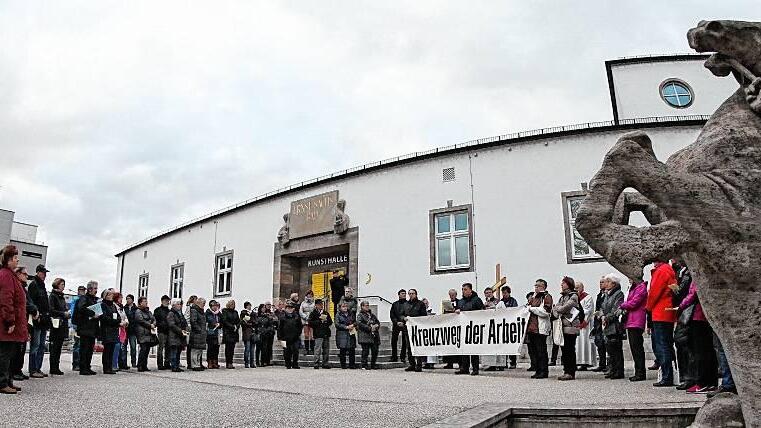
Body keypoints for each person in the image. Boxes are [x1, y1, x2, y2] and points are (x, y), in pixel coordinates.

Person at [672, 282, 717, 394]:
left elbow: (693, 293)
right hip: (705, 316)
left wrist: (681, 306)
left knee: (699, 351)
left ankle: (702, 383)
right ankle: (711, 383)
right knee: (708, 351)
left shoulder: (696, 276)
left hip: (697, 316)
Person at [0, 245, 27, 394]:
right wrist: (9, 320)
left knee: (10, 354)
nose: (17, 260)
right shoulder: (5, 275)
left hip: (13, 322)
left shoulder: (10, 275)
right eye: (16, 258)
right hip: (6, 323)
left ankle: (8, 380)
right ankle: (2, 382)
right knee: (4, 354)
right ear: (9, 260)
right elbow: (6, 299)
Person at [646, 260, 678, 387]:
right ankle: (672, 373)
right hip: (667, 311)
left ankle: (667, 376)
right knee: (668, 344)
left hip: (660, 311)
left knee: (662, 345)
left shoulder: (661, 271)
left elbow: (654, 293)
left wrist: (648, 308)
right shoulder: (669, 270)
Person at [619, 278, 648, 381]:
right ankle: (638, 371)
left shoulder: (641, 287)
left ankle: (640, 372)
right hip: (632, 320)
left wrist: (622, 305)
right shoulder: (633, 288)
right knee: (634, 348)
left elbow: (634, 302)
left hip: (636, 320)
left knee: (637, 348)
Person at [552, 276, 581, 381]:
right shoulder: (562, 297)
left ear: (569, 284)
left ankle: (571, 372)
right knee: (564, 350)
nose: (561, 285)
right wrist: (559, 309)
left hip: (571, 327)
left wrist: (558, 309)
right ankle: (566, 370)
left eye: (563, 283)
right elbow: (555, 310)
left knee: (569, 350)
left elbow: (565, 308)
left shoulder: (573, 296)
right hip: (563, 326)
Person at [11, 266, 36, 381]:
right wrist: (33, 309)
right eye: (25, 274)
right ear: (18, 274)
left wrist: (34, 309)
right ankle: (14, 371)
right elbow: (23, 303)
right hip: (18, 321)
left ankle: (18, 370)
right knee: (17, 348)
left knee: (22, 347)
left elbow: (30, 302)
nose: (27, 276)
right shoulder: (16, 286)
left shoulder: (24, 288)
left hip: (25, 321)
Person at [456, 283, 485, 376]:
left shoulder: (476, 300)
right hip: (463, 327)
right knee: (464, 349)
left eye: (465, 289)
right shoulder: (460, 302)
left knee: (473, 349)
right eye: (462, 289)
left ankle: (475, 368)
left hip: (474, 327)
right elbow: (457, 311)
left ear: (470, 290)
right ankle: (465, 368)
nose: (463, 291)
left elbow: (482, 312)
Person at [27, 264, 50, 378]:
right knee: (35, 345)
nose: (44, 275)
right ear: (37, 272)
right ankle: (32, 369)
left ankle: (38, 368)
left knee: (41, 345)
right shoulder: (34, 285)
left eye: (45, 273)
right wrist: (36, 313)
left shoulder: (42, 286)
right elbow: (31, 302)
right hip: (37, 319)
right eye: (42, 272)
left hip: (44, 320)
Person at [601, 274, 625, 380]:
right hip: (607, 324)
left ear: (613, 283)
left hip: (614, 325)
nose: (605, 283)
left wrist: (606, 318)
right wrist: (602, 316)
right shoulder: (606, 294)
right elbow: (602, 307)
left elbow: (616, 309)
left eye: (608, 281)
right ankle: (612, 369)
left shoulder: (618, 294)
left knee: (616, 349)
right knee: (610, 349)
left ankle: (619, 371)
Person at [526, 279, 552, 379]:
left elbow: (546, 311)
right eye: (535, 285)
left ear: (544, 287)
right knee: (534, 351)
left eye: (539, 286)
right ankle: (537, 370)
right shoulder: (533, 297)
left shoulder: (546, 297)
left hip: (540, 328)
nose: (536, 287)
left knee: (541, 350)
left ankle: (543, 371)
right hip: (532, 328)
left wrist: (531, 309)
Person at [74, 281, 100, 375]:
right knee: (84, 348)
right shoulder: (84, 298)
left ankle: (87, 366)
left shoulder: (93, 299)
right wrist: (93, 314)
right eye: (95, 288)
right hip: (85, 327)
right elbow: (82, 308)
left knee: (90, 348)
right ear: (90, 289)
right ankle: (83, 367)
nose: (96, 290)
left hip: (92, 327)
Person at [47, 278, 69, 376]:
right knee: (55, 347)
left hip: (62, 324)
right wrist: (63, 313)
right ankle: (53, 367)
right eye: (62, 284)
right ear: (57, 285)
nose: (63, 286)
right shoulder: (53, 296)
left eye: (64, 284)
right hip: (56, 324)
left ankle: (56, 366)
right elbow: (51, 310)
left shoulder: (61, 297)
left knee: (59, 346)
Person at [403, 289, 427, 372]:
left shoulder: (420, 304)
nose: (411, 295)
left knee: (418, 346)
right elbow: (402, 314)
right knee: (409, 347)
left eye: (412, 293)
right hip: (408, 328)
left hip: (418, 328)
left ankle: (419, 364)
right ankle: (412, 364)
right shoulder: (406, 304)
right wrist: (403, 318)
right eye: (409, 294)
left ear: (416, 294)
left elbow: (424, 316)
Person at [98, 289, 121, 374]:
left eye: (112, 295)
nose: (111, 296)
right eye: (109, 295)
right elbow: (104, 318)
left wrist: (116, 321)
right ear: (105, 296)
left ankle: (110, 366)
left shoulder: (113, 306)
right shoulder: (102, 305)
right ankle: (106, 367)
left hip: (114, 330)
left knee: (112, 349)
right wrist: (114, 321)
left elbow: (118, 316)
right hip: (107, 330)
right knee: (107, 350)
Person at [575, 282, 596, 371]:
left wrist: (578, 314)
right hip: (575, 322)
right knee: (578, 343)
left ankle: (587, 362)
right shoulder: (574, 298)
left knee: (585, 341)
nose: (576, 290)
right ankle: (579, 361)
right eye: (575, 288)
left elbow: (589, 310)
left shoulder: (588, 297)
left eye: (578, 288)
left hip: (585, 324)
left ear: (582, 288)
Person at [496, 286, 519, 369]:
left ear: (509, 293)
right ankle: (503, 362)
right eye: (503, 293)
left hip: (511, 325)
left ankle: (513, 362)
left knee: (511, 345)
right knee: (503, 345)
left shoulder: (513, 301)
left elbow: (515, 311)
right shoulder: (500, 302)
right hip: (502, 325)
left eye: (505, 293)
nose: (504, 294)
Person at [308, 299, 332, 369]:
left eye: (322, 304)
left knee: (326, 349)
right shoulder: (313, 313)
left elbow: (330, 322)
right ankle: (316, 362)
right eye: (319, 304)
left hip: (326, 333)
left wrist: (326, 321)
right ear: (316, 305)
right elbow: (310, 323)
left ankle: (325, 363)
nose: (321, 306)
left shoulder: (326, 313)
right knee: (317, 349)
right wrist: (319, 320)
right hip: (318, 333)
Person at [133, 296, 156, 372]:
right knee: (143, 349)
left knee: (147, 350)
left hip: (148, 333)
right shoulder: (138, 311)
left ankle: (144, 365)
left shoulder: (148, 312)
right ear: (140, 303)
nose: (146, 303)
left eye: (146, 301)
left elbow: (153, 319)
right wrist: (150, 325)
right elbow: (140, 320)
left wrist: (153, 323)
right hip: (142, 333)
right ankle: (140, 365)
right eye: (144, 301)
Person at [356, 301, 380, 370]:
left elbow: (377, 322)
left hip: (374, 335)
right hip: (365, 335)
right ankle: (364, 365)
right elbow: (360, 324)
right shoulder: (360, 315)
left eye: (368, 305)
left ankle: (373, 364)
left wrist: (376, 326)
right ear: (362, 306)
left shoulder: (372, 315)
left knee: (375, 351)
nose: (367, 307)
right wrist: (370, 328)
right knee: (365, 351)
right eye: (365, 305)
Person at [591, 278, 608, 372]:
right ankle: (602, 363)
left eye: (603, 282)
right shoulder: (599, 295)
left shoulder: (607, 294)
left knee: (606, 343)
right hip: (598, 321)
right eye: (600, 282)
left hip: (605, 320)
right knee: (599, 343)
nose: (601, 284)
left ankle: (608, 365)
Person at [166, 298, 188, 372]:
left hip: (180, 335)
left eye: (180, 304)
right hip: (174, 335)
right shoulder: (171, 313)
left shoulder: (180, 313)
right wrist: (180, 330)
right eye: (178, 304)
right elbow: (171, 325)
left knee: (178, 351)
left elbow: (184, 322)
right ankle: (174, 366)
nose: (180, 306)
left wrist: (185, 329)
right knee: (174, 352)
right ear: (173, 305)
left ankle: (177, 365)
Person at [278, 302, 302, 369]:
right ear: (285, 309)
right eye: (288, 308)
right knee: (286, 351)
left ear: (293, 309)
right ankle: (288, 364)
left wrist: (298, 333)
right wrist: (279, 337)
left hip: (295, 337)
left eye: (291, 308)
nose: (289, 309)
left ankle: (295, 364)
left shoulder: (297, 316)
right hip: (284, 338)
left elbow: (300, 326)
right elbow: (279, 328)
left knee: (295, 351)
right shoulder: (282, 317)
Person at [334, 302, 357, 369]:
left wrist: (353, 325)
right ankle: (343, 365)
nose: (345, 308)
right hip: (342, 334)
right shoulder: (338, 314)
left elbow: (355, 321)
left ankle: (352, 365)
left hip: (351, 333)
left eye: (346, 306)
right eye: (343, 306)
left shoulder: (351, 314)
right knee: (342, 350)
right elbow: (337, 324)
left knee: (352, 350)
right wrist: (345, 327)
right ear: (340, 307)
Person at [69, 285, 85, 372]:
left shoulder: (84, 300)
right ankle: (75, 364)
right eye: (80, 290)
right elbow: (72, 313)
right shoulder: (75, 300)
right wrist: (74, 325)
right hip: (76, 325)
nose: (82, 292)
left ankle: (81, 363)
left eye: (83, 290)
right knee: (77, 345)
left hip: (83, 326)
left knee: (82, 345)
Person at [153, 295, 171, 370]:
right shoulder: (157, 310)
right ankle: (160, 364)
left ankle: (167, 363)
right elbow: (155, 320)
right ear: (162, 301)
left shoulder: (169, 311)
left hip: (169, 331)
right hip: (161, 331)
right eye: (166, 301)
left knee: (168, 348)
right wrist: (160, 325)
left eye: (168, 301)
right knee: (160, 348)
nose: (167, 302)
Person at [389, 289, 408, 363]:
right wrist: (396, 322)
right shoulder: (394, 304)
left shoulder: (408, 304)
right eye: (402, 293)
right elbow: (392, 315)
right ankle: (394, 357)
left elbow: (408, 314)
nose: (404, 295)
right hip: (396, 324)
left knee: (404, 341)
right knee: (393, 340)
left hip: (405, 324)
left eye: (404, 293)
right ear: (399, 295)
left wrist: (403, 322)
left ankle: (403, 357)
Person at [221, 300, 240, 369]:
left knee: (232, 348)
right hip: (228, 332)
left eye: (234, 304)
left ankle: (231, 362)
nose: (233, 305)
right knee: (228, 348)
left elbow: (238, 321)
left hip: (234, 332)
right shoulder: (225, 311)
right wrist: (232, 327)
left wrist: (236, 326)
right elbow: (224, 321)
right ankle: (228, 362)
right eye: (231, 304)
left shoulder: (235, 312)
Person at [188, 297, 207, 371]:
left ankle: (198, 364)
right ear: (199, 303)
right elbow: (193, 321)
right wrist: (199, 330)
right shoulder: (194, 310)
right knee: (195, 350)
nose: (204, 305)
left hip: (201, 333)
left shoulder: (201, 311)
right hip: (196, 333)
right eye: (203, 303)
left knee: (199, 350)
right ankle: (194, 365)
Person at [442, 289, 459, 369]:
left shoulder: (459, 302)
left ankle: (460, 363)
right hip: (449, 325)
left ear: (456, 295)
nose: (451, 296)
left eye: (452, 295)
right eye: (450, 295)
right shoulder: (446, 303)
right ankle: (449, 363)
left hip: (457, 325)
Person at [114, 293, 129, 371]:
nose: (121, 299)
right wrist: (120, 322)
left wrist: (126, 321)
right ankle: (115, 364)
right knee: (117, 347)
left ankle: (121, 363)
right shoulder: (114, 306)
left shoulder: (121, 307)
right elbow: (116, 317)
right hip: (117, 328)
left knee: (121, 347)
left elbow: (125, 316)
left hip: (123, 328)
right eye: (120, 298)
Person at [205, 300, 222, 369]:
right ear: (210, 306)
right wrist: (214, 323)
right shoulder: (208, 313)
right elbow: (209, 320)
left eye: (216, 306)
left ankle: (215, 362)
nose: (215, 307)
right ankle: (210, 362)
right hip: (210, 332)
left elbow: (222, 320)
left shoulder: (218, 313)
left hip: (217, 332)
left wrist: (220, 324)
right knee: (210, 348)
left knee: (216, 348)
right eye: (213, 306)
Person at [240, 302, 256, 368]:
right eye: (249, 305)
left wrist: (251, 323)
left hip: (252, 332)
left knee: (252, 350)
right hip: (246, 333)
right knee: (247, 349)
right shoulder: (243, 313)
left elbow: (255, 321)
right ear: (246, 306)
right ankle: (246, 362)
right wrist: (249, 323)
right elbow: (242, 322)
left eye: (250, 305)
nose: (250, 306)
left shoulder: (253, 313)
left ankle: (252, 363)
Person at [183, 295, 197, 368]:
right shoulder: (190, 307)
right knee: (189, 346)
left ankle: (192, 362)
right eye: (195, 299)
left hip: (193, 329)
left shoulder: (194, 308)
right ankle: (189, 363)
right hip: (190, 328)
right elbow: (186, 317)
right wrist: (188, 326)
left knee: (192, 346)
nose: (196, 301)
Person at [300, 290, 315, 356]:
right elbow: (300, 311)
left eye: (311, 294)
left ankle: (312, 349)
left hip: (312, 321)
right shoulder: (303, 303)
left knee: (312, 336)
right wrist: (305, 317)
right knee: (306, 335)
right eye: (308, 294)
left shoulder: (314, 303)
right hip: (305, 320)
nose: (309, 295)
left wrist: (312, 317)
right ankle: (306, 349)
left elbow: (315, 311)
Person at [124, 294, 138, 369]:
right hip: (126, 330)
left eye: (129, 298)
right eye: (127, 299)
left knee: (133, 347)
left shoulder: (135, 309)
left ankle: (134, 362)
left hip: (133, 330)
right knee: (124, 347)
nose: (128, 300)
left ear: (132, 300)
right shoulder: (124, 308)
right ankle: (124, 362)